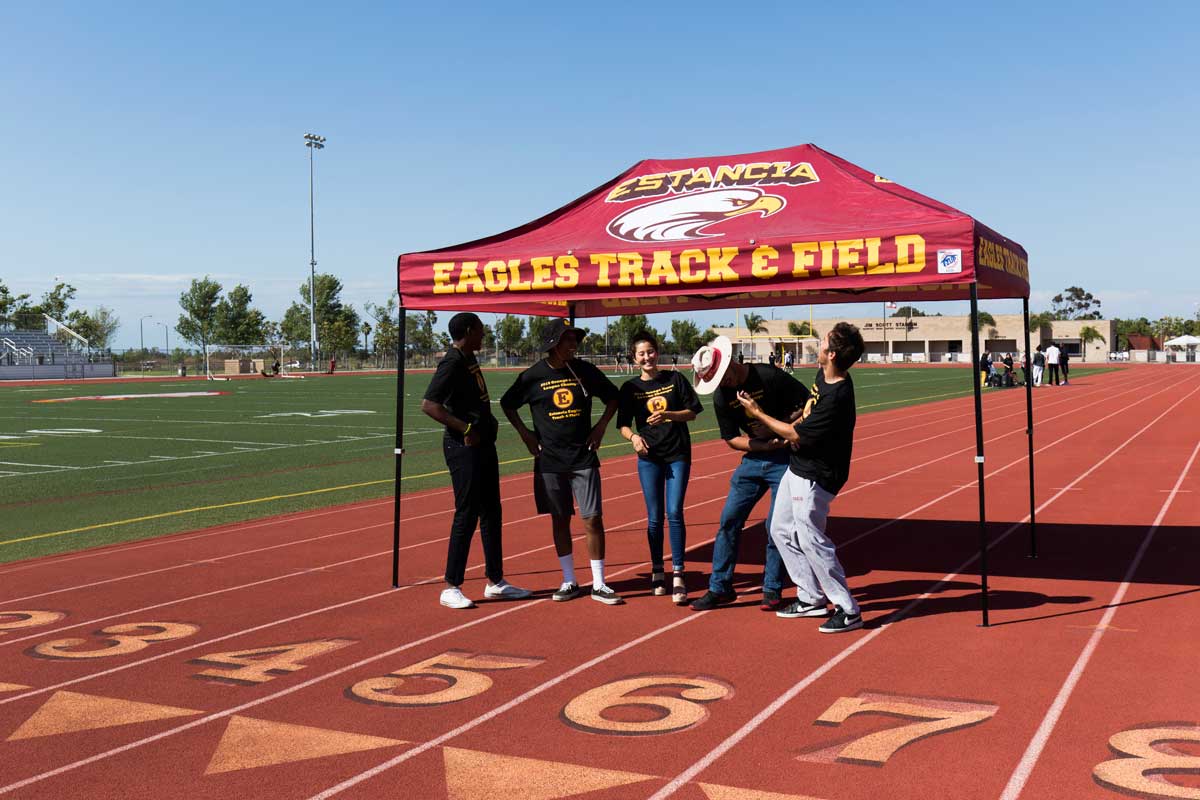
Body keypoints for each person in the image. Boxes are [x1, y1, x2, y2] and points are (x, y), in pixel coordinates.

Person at [735, 322, 866, 633]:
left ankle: (848, 609)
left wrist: (757, 413)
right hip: (799, 465)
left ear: (831, 353)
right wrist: (796, 419)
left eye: (823, 342)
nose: (818, 344)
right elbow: (806, 411)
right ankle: (810, 597)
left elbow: (794, 433)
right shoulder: (824, 375)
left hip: (818, 475)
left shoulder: (838, 397)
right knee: (779, 528)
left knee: (812, 538)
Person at [501, 319, 622, 605]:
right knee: (560, 520)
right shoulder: (532, 376)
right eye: (568, 340)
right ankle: (569, 580)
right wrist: (526, 435)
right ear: (553, 345)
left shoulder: (584, 371)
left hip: (583, 457)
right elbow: (508, 403)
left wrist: (601, 427)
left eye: (574, 339)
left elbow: (613, 398)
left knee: (592, 519)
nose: (573, 345)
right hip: (550, 460)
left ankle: (600, 583)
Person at [689, 335, 810, 612]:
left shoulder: (769, 376)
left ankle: (772, 589)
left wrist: (790, 430)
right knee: (728, 520)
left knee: (775, 526)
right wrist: (761, 445)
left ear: (730, 362)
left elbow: (809, 403)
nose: (723, 384)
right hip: (754, 458)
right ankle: (719, 587)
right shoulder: (722, 396)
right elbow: (731, 439)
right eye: (716, 381)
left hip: (785, 458)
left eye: (722, 377)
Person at [422, 313, 531, 609]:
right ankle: (451, 585)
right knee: (467, 512)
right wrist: (465, 428)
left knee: (491, 512)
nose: (485, 335)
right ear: (468, 331)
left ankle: (496, 581)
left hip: (483, 445)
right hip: (463, 447)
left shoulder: (468, 357)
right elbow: (429, 405)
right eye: (481, 330)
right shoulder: (452, 361)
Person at [617, 331, 703, 605]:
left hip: (677, 454)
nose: (647, 357)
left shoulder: (674, 379)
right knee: (654, 517)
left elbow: (693, 412)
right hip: (649, 458)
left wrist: (668, 415)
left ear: (658, 352)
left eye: (650, 351)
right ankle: (657, 569)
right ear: (634, 357)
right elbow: (622, 424)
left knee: (674, 512)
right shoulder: (630, 388)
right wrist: (633, 438)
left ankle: (678, 573)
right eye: (641, 353)